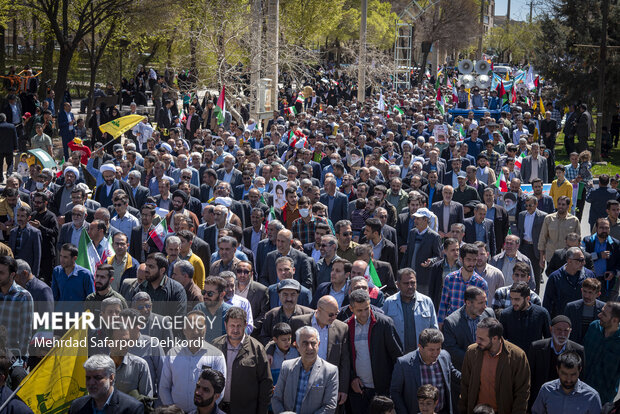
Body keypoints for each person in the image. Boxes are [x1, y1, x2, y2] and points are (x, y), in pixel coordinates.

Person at [347, 289, 403, 414]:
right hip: (359, 392)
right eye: (359, 310)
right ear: (351, 309)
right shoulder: (346, 327)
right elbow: (345, 360)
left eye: (366, 308)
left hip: (383, 390)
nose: (364, 314)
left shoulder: (384, 324)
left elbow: (397, 356)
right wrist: (352, 378)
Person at [159, 310, 227, 412]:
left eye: (199, 327)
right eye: (191, 327)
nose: (195, 331)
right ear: (184, 330)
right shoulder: (172, 354)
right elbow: (164, 387)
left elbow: (219, 392)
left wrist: (203, 410)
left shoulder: (217, 356)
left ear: (205, 329)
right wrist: (172, 411)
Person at [459, 318, 530, 414]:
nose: (477, 341)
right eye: (477, 337)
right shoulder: (472, 352)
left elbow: (522, 392)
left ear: (495, 338)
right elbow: (465, 385)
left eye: (481, 339)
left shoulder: (517, 356)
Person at [289, 296, 350, 406]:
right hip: (301, 380)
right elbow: (284, 343)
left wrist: (343, 388)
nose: (334, 317)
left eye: (336, 313)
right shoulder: (297, 322)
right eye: (331, 314)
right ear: (319, 310)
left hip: (327, 383)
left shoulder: (342, 328)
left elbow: (345, 360)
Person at [211, 307, 273, 414]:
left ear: (245, 325)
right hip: (217, 408)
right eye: (232, 326)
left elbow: (266, 383)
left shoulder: (257, 348)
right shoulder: (215, 346)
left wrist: (262, 411)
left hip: (246, 410)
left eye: (239, 326)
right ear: (225, 325)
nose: (235, 330)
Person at [390, 328, 460, 414]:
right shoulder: (404, 364)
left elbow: (454, 375)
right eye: (431, 350)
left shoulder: (444, 356)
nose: (435, 353)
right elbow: (395, 392)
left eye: (438, 349)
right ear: (420, 347)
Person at [271, 326, 339, 414]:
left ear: (318, 344)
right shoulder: (287, 367)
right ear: (297, 346)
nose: (309, 347)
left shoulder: (330, 371)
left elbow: (330, 406)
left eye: (313, 343)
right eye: (305, 343)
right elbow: (276, 398)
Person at [528, 316, 586, 408]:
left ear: (570, 331)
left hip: (565, 401)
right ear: (551, 329)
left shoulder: (578, 350)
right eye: (558, 329)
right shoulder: (537, 347)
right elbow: (529, 377)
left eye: (566, 331)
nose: (562, 334)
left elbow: (580, 378)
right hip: (540, 400)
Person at [382, 268, 438, 353]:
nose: (410, 286)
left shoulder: (427, 301)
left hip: (422, 356)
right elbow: (384, 331)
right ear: (398, 284)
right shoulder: (389, 303)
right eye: (406, 283)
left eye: (413, 283)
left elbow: (434, 329)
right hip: (397, 355)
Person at [442, 286, 495, 371]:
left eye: (485, 302)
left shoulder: (489, 313)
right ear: (468, 303)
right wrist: (474, 359)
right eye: (480, 303)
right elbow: (451, 349)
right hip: (464, 371)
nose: (484, 306)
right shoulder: (451, 322)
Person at [69, 354, 144, 414]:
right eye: (88, 378)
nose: (91, 383)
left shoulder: (131, 408)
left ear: (111, 378)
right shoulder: (77, 406)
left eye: (97, 377)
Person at [531, 352, 601, 414]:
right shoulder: (546, 390)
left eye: (573, 374)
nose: (568, 379)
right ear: (557, 369)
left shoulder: (592, 397)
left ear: (580, 370)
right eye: (564, 374)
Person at [437, 243, 489, 325]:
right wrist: (440, 326)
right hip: (452, 325)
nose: (472, 264)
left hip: (472, 326)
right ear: (461, 259)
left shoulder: (481, 283)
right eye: (468, 260)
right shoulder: (450, 279)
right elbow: (443, 305)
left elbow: (484, 310)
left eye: (474, 260)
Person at [583, 301, 620, 404]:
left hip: (602, 399)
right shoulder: (593, 327)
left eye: (604, 314)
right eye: (601, 311)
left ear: (615, 320)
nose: (599, 315)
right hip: (580, 390)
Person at [543, 247, 596, 318]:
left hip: (583, 319)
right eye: (580, 260)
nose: (584, 263)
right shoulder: (555, 277)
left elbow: (596, 299)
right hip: (562, 321)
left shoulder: (589, 275)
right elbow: (547, 302)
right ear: (569, 261)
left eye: (584, 259)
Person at [498, 282, 551, 352]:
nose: (513, 302)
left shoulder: (542, 314)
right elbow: (501, 340)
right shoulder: (505, 315)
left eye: (517, 299)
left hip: (535, 359)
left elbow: (549, 340)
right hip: (513, 359)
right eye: (511, 298)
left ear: (527, 298)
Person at [581, 217, 620, 301]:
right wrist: (598, 255)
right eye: (601, 228)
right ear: (596, 228)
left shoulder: (615, 244)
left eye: (607, 228)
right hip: (589, 280)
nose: (604, 230)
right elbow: (582, 258)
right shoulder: (587, 241)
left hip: (607, 282)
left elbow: (619, 262)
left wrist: (613, 272)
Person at [516, 196, 547, 293]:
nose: (528, 207)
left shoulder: (543, 216)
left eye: (531, 205)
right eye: (527, 205)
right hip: (524, 247)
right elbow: (519, 231)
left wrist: (543, 255)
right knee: (522, 272)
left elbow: (545, 235)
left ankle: (535, 296)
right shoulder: (521, 215)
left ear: (536, 204)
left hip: (536, 249)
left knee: (536, 275)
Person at [564, 278, 605, 344]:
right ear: (581, 290)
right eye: (584, 291)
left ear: (598, 294)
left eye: (590, 292)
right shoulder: (571, 307)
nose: (586, 296)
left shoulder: (604, 309)